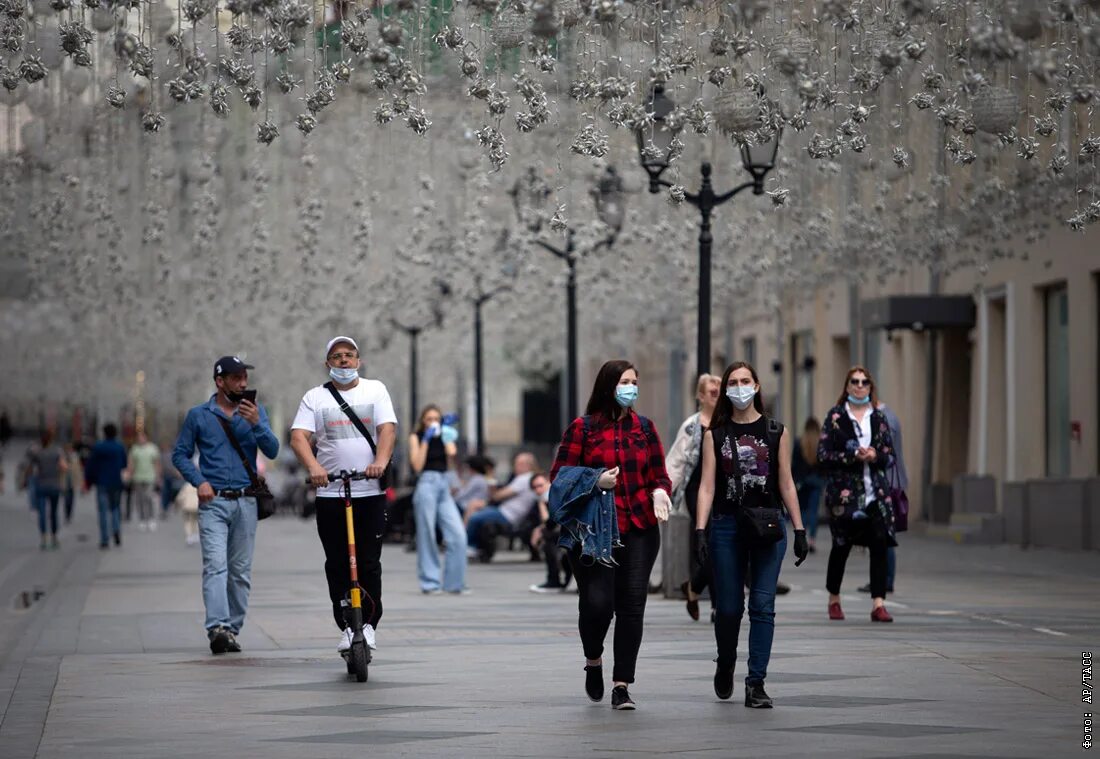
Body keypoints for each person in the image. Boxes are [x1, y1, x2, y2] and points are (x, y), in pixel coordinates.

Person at [550, 359, 672, 710]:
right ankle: (593, 661)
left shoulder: (645, 429)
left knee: (632, 606)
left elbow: (658, 474)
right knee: (598, 604)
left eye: (634, 381)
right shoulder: (583, 429)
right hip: (594, 532)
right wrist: (594, 479)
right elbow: (561, 478)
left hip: (639, 527)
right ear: (608, 387)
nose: (631, 388)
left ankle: (622, 685)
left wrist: (661, 492)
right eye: (624, 382)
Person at [694, 362, 809, 708]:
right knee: (729, 609)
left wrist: (800, 527)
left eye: (746, 381)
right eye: (733, 382)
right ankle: (725, 660)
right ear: (726, 389)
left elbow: (786, 481)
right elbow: (707, 487)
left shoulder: (777, 431)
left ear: (757, 385)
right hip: (728, 526)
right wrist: (701, 531)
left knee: (763, 605)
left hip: (769, 525)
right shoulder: (715, 434)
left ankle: (756, 682)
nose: (740, 387)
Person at [290, 336, 397, 654]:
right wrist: (314, 467)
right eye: (337, 357)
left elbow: (387, 429)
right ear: (328, 364)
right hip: (331, 494)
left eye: (349, 356)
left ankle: (368, 625)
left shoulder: (375, 390)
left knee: (368, 562)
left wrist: (380, 462)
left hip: (369, 491)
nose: (344, 361)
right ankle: (347, 625)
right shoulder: (314, 398)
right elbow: (299, 437)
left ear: (359, 361)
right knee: (337, 563)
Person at [172, 355, 280, 654]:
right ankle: (217, 627)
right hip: (214, 502)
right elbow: (179, 454)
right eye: (236, 378)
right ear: (220, 381)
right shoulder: (198, 415)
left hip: (246, 502)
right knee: (216, 566)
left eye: (245, 377)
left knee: (241, 571)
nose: (243, 383)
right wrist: (199, 481)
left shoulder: (257, 412)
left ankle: (232, 629)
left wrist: (257, 424)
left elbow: (272, 450)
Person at [817, 365, 897, 623]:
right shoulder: (836, 417)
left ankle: (878, 603)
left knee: (879, 542)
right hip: (845, 494)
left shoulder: (878, 417)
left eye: (864, 382)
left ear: (870, 387)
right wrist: (851, 455)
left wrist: (876, 455)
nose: (860, 385)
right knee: (841, 545)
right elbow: (823, 455)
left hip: (875, 494)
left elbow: (890, 455)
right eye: (855, 381)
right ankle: (834, 598)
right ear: (847, 386)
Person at [665, 373, 720, 621]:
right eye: (712, 391)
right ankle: (717, 606)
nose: (718, 393)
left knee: (723, 544)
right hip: (697, 491)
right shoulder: (692, 426)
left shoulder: (732, 422)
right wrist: (662, 493)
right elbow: (675, 464)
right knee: (714, 544)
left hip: (726, 491)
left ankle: (694, 587)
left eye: (721, 389)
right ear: (701, 396)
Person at [409, 404, 467, 594]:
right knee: (427, 533)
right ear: (422, 421)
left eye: (436, 418)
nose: (433, 422)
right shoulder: (416, 437)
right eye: (429, 419)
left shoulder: (444, 434)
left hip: (444, 484)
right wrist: (425, 440)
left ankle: (454, 583)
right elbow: (417, 465)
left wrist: (446, 432)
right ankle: (430, 582)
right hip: (427, 482)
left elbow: (451, 453)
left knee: (458, 534)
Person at [859, 399, 907, 595]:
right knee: (879, 534)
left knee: (885, 534)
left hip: (888, 484)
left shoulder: (886, 418)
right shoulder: (886, 416)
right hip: (883, 483)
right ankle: (881, 579)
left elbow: (886, 452)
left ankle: (886, 580)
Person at [466, 451, 539, 558]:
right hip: (506, 512)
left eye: (518, 464)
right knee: (475, 508)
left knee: (474, 517)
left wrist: (490, 478)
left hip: (507, 515)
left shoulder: (524, 479)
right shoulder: (527, 478)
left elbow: (498, 496)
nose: (515, 466)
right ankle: (471, 544)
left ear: (527, 465)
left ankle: (471, 546)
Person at [529, 470, 572, 593]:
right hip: (564, 533)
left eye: (540, 485)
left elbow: (550, 523)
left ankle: (554, 580)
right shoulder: (545, 499)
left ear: (548, 482)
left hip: (571, 533)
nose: (538, 490)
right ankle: (554, 580)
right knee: (548, 537)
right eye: (534, 487)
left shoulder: (554, 496)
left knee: (548, 537)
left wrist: (542, 505)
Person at [87, 424, 128, 549]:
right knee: (115, 507)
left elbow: (91, 465)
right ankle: (116, 529)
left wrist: (89, 480)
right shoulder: (119, 447)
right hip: (116, 481)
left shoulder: (99, 447)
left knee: (103, 511)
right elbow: (124, 463)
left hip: (102, 482)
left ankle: (104, 538)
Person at [28, 430, 67, 550]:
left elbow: (31, 468)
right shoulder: (57, 451)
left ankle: (43, 537)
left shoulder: (37, 452)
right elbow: (64, 467)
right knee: (54, 513)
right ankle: (54, 537)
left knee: (42, 513)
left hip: (41, 485)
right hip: (54, 485)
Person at [791, 417, 824, 553]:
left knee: (803, 511)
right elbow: (824, 465)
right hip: (816, 482)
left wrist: (795, 481)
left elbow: (794, 465)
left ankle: (802, 538)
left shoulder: (799, 442)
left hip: (802, 482)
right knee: (814, 511)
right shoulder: (821, 444)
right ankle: (812, 540)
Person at [127, 430, 162, 532]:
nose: (140, 439)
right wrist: (129, 474)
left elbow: (157, 463)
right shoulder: (135, 449)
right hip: (138, 477)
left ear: (146, 437)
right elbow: (131, 463)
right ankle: (142, 519)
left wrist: (158, 476)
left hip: (150, 477)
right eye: (139, 437)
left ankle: (151, 518)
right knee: (140, 499)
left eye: (142, 437)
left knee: (149, 497)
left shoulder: (152, 448)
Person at [61, 441, 82, 524]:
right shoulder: (62, 458)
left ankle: (69, 514)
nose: (69, 450)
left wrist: (80, 482)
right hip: (65, 482)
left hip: (72, 482)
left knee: (71, 500)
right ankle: (66, 514)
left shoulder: (75, 457)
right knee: (66, 499)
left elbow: (78, 470)